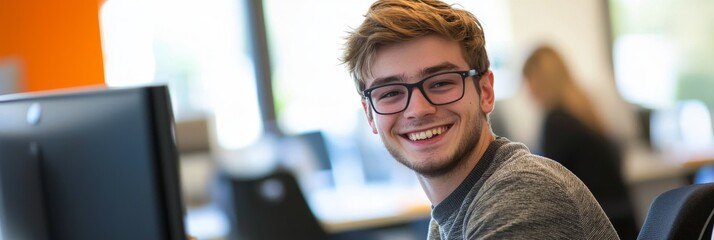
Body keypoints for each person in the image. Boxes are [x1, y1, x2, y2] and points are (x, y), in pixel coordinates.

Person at [341, 0, 620, 239]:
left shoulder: (522, 195)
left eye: (440, 83)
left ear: (485, 92)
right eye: (390, 92)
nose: (418, 109)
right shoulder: (448, 217)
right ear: (369, 114)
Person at [522, 45, 639, 239]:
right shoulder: (583, 112)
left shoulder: (556, 122)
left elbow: (542, 185)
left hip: (596, 228)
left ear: (538, 81)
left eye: (527, 80)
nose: (525, 90)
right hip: (618, 225)